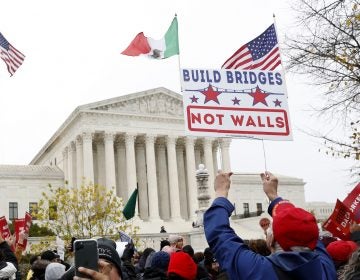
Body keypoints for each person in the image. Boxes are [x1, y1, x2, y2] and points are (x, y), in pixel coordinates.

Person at [204, 171, 337, 280]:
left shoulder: (257, 270)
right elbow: (306, 231)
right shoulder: (326, 268)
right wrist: (275, 197)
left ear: (271, 241)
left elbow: (220, 235)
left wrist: (221, 192)